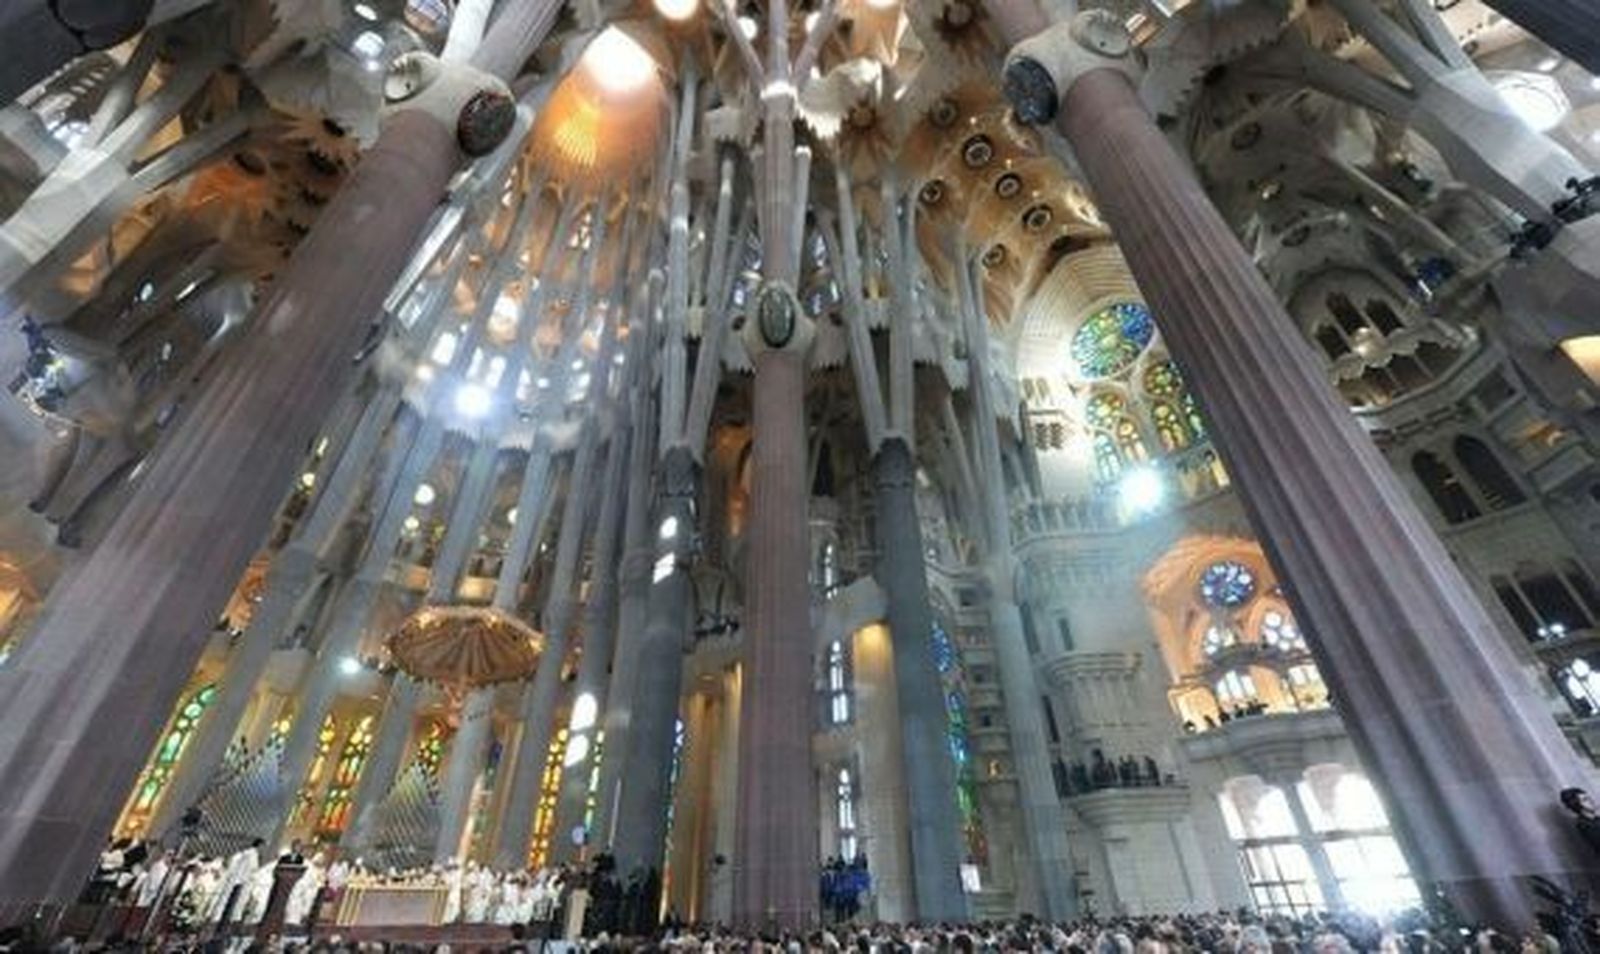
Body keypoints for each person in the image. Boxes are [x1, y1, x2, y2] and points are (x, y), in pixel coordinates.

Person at [1559, 786, 1600, 855]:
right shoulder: (1585, 825)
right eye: (1585, 799)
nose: (1591, 800)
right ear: (1577, 804)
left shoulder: (1595, 819)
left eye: (1589, 797)